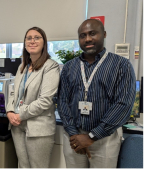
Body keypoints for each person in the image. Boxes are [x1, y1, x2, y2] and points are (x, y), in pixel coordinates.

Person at [57, 19, 136, 168]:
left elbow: (123, 105)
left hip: (105, 138)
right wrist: (74, 134)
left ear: (104, 34)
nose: (87, 39)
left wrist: (92, 136)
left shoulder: (121, 65)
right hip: (73, 138)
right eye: (82, 35)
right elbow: (62, 101)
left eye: (92, 33)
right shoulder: (69, 67)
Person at [6, 27, 60, 168]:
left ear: (44, 42)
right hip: (18, 126)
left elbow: (45, 101)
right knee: (23, 166)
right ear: (24, 43)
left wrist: (20, 114)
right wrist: (10, 111)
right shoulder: (22, 66)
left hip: (38, 127)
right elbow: (13, 93)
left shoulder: (51, 67)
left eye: (37, 37)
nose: (32, 41)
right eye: (29, 38)